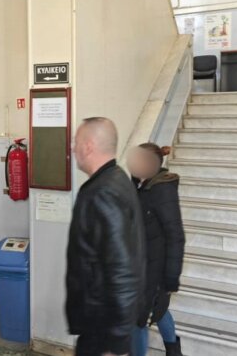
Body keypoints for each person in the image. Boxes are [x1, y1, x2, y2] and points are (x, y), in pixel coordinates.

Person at [66, 117, 146, 356]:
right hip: (101, 324)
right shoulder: (116, 179)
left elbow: (122, 270)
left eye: (76, 142)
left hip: (102, 330)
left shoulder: (103, 192)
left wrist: (117, 344)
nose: (73, 148)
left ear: (88, 146)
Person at [127, 143, 185, 356]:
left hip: (155, 269)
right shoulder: (139, 186)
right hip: (139, 265)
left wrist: (171, 278)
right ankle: (174, 351)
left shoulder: (162, 190)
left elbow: (176, 236)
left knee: (139, 319)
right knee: (158, 311)